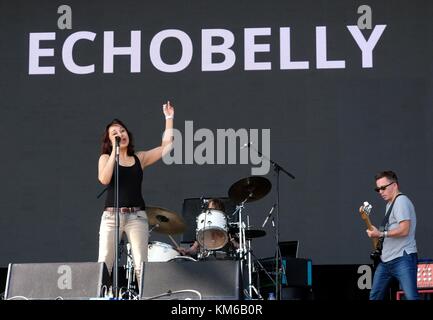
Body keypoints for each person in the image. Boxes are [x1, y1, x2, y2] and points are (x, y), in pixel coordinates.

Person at [97, 101, 174, 285]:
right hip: (111, 216)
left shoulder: (139, 158)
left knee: (141, 264)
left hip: (137, 216)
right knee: (105, 263)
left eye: (122, 131)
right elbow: (104, 179)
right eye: (114, 133)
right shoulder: (105, 158)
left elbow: (166, 147)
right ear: (109, 140)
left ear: (128, 134)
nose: (120, 134)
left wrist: (169, 118)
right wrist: (114, 151)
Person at [366, 170, 419, 300]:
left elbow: (404, 230)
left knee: (411, 297)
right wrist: (378, 233)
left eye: (383, 188)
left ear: (394, 185)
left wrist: (381, 233)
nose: (380, 192)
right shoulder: (390, 204)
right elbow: (391, 230)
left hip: (402, 258)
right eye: (378, 189)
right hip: (387, 260)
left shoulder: (401, 201)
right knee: (375, 296)